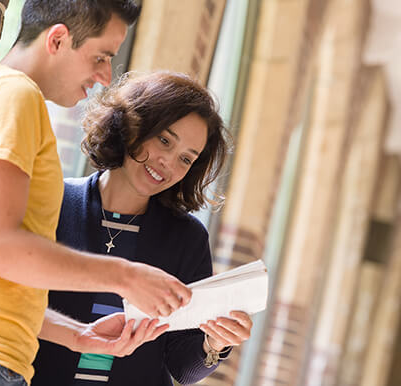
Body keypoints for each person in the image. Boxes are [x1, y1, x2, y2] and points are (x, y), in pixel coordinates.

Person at [0, 2, 193, 385]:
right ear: (58, 39)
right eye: (100, 56)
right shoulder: (12, 97)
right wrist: (125, 277)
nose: (104, 75)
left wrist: (77, 335)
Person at [32, 71, 254, 386]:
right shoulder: (54, 203)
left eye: (186, 159)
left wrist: (214, 344)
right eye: (165, 140)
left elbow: (182, 368)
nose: (168, 163)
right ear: (135, 124)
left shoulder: (187, 239)